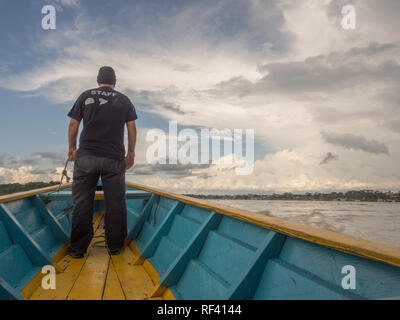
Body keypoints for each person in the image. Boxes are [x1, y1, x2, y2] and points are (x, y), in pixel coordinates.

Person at [66, 66, 137, 258]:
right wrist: (130, 152)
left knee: (82, 203)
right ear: (115, 81)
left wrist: (72, 147)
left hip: (86, 157)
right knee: (116, 204)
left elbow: (74, 124)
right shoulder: (124, 100)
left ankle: (78, 249)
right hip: (113, 159)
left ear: (98, 80)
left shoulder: (85, 96)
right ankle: (115, 247)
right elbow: (131, 127)